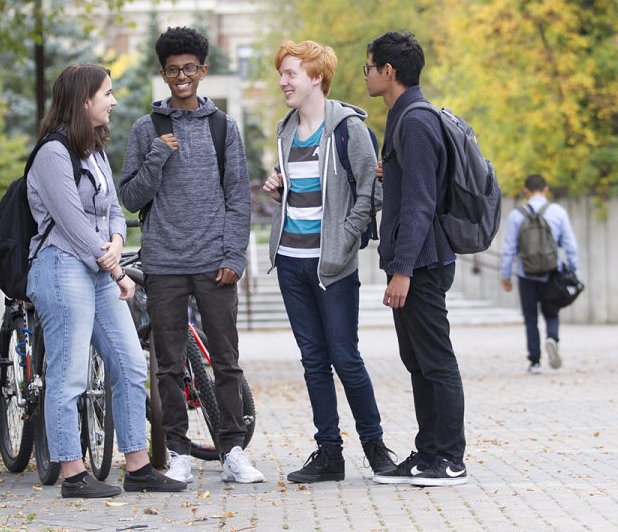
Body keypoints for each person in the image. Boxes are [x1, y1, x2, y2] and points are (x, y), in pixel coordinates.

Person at [26, 64, 187, 498]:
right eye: (107, 94)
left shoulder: (91, 151)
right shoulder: (52, 154)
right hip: (61, 268)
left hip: (97, 267)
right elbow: (72, 223)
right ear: (83, 100)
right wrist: (115, 267)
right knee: (70, 372)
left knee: (131, 365)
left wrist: (117, 240)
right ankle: (74, 475)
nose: (113, 101)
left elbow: (115, 208)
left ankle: (138, 467)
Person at [119, 27, 264, 485]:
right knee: (167, 365)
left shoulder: (224, 128)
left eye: (189, 68)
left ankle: (233, 450)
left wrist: (233, 255)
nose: (181, 76)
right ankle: (177, 451)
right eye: (172, 69)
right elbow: (129, 196)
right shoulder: (146, 130)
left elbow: (238, 198)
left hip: (213, 263)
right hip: (162, 263)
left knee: (226, 361)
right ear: (163, 75)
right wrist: (157, 158)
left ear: (202, 71)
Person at [262, 40, 396, 484]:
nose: (283, 81)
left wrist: (343, 240)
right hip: (291, 263)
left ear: (316, 76)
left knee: (345, 357)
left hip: (332, 266)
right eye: (282, 74)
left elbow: (370, 190)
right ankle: (329, 454)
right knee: (313, 361)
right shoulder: (285, 131)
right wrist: (281, 192)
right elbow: (310, 194)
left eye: (291, 73)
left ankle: (376, 449)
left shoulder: (348, 128)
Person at [363, 31, 468, 486]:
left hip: (422, 263)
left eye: (368, 67)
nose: (365, 74)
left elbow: (422, 203)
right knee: (419, 361)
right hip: (413, 261)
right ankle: (428, 453)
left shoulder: (416, 122)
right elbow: (415, 185)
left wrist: (402, 270)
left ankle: (449, 458)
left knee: (437, 361)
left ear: (389, 72)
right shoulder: (403, 119)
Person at [500, 174, 580, 374]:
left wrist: (506, 275)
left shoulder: (517, 215)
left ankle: (534, 362)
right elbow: (570, 245)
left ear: (525, 191)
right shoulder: (557, 212)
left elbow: (509, 248)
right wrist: (575, 271)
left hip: (526, 274)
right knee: (551, 312)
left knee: (530, 318)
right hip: (552, 273)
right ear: (546, 189)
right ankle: (552, 338)